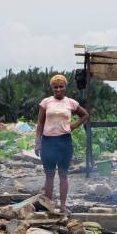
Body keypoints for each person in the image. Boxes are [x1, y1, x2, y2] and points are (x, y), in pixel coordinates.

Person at [35, 74, 89, 216]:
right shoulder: (46, 102)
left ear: (65, 87)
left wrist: (74, 126)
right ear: (51, 88)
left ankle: (63, 206)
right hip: (48, 141)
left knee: (63, 174)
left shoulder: (70, 102)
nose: (58, 89)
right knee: (49, 175)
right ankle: (49, 206)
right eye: (55, 87)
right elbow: (40, 123)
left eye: (61, 86)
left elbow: (85, 115)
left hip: (64, 141)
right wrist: (37, 142)